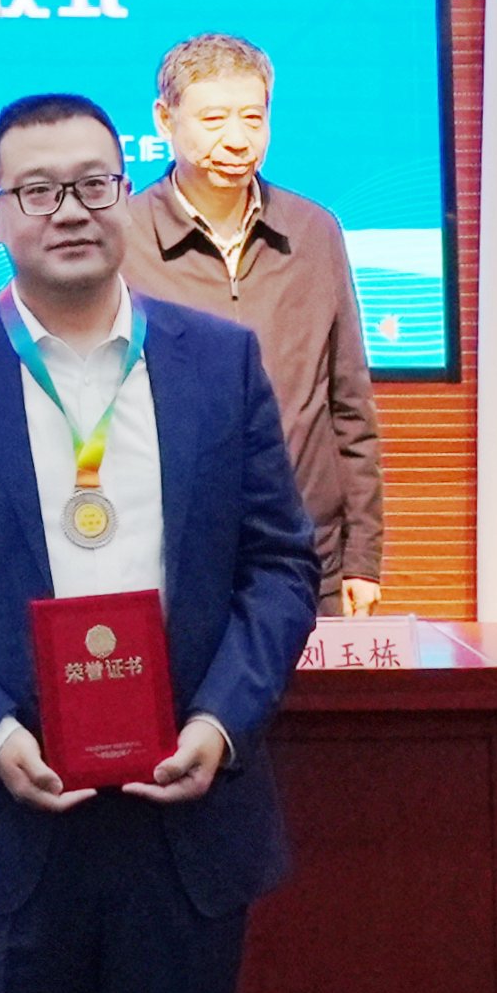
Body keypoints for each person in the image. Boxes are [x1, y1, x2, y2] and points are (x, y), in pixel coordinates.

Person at [0, 93, 319, 993]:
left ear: (125, 196)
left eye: (93, 185)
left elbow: (280, 564)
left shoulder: (218, 360)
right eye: (37, 190)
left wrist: (220, 723)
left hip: (182, 816)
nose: (69, 210)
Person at [124, 33, 385, 615]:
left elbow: (349, 402)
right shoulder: (122, 239)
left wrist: (362, 557)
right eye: (213, 119)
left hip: (306, 556)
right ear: (164, 119)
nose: (238, 140)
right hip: (166, 558)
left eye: (253, 117)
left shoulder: (314, 231)